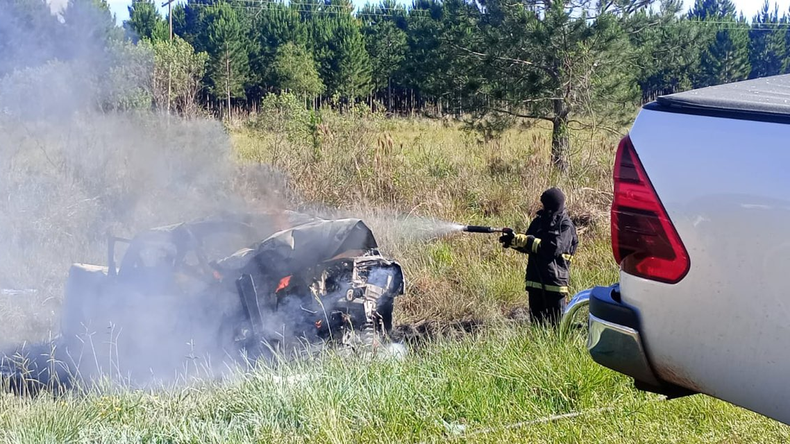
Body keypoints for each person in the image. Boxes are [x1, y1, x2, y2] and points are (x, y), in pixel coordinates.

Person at [499, 187, 578, 327]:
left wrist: (526, 241)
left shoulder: (565, 225)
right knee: (537, 327)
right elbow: (530, 246)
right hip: (534, 282)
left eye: (545, 204)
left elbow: (552, 248)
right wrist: (514, 241)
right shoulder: (539, 221)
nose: (543, 208)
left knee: (557, 328)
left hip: (555, 285)